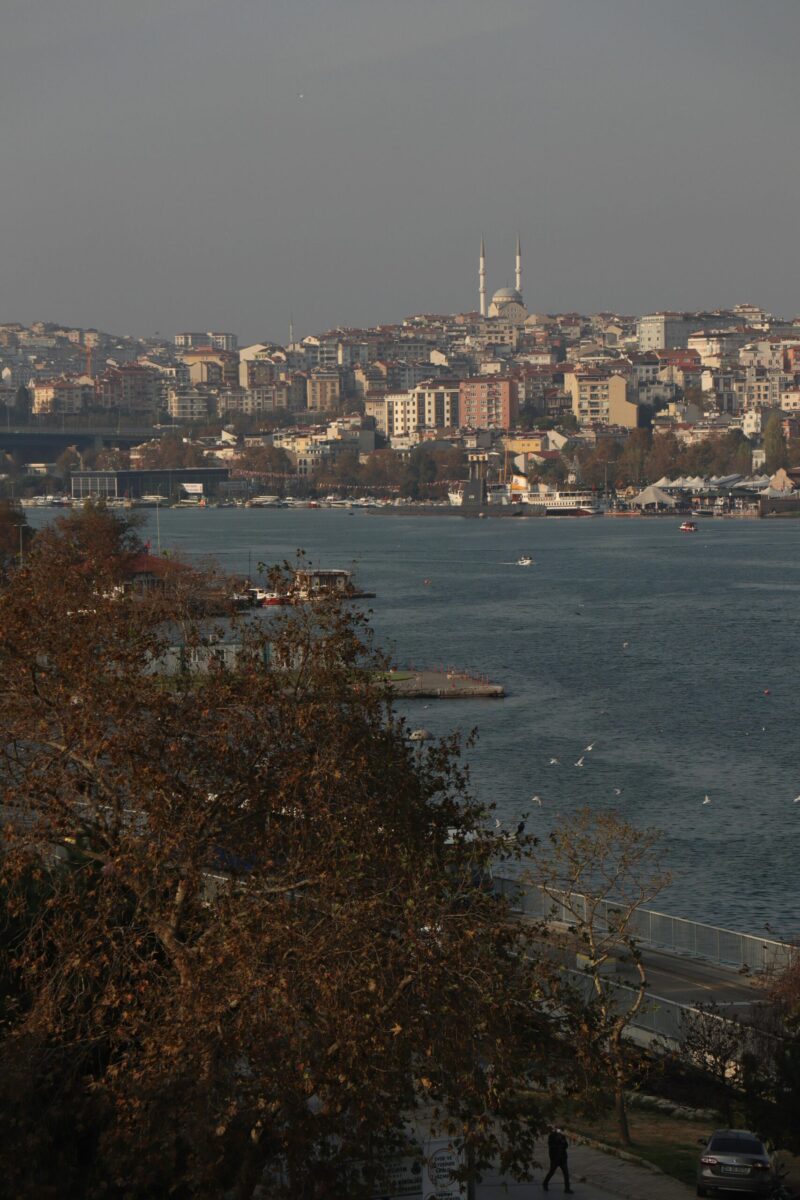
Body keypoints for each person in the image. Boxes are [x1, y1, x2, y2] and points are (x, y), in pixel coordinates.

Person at [542, 1127, 572, 1193]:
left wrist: (562, 1141)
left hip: (563, 1158)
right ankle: (545, 1183)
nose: (558, 1131)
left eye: (560, 1130)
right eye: (557, 1130)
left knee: (566, 1174)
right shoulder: (551, 1136)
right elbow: (551, 1146)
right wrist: (559, 1145)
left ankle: (567, 1188)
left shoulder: (562, 1136)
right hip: (555, 1158)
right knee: (551, 1172)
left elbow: (566, 1146)